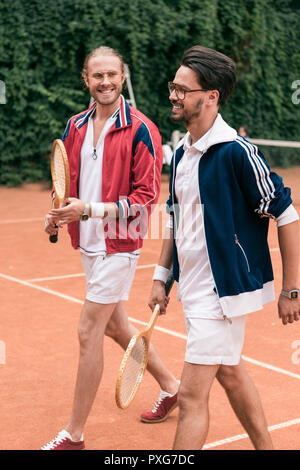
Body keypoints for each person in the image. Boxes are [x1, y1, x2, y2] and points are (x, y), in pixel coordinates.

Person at [148, 45, 300, 450]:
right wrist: (162, 276)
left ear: (211, 96)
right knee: (230, 372)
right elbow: (176, 217)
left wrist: (291, 290)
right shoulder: (181, 154)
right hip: (194, 289)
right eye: (173, 87)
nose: (173, 95)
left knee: (194, 397)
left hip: (222, 294)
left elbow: (286, 214)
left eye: (183, 89)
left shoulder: (237, 152)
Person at [42, 46, 179, 450]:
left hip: (120, 246)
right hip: (86, 244)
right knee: (118, 327)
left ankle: (75, 435)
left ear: (124, 76)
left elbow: (146, 201)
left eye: (112, 75)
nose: (105, 82)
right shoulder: (75, 126)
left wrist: (88, 211)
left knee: (89, 331)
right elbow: (65, 181)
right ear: (86, 79)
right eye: (97, 75)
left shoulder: (142, 129)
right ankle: (173, 387)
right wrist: (57, 210)